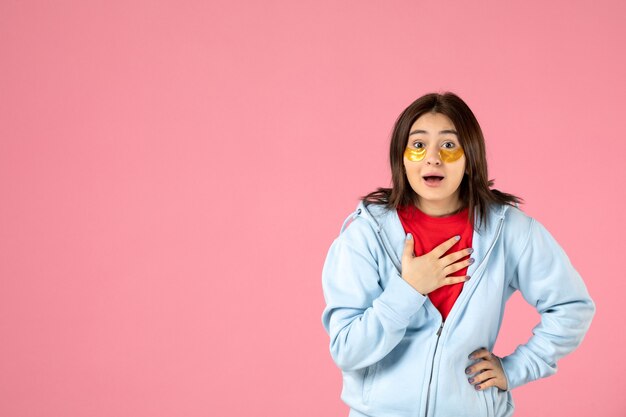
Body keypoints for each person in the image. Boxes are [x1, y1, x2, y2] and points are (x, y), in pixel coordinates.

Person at [320, 92, 595, 417]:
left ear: (470, 158)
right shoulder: (365, 235)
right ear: (402, 157)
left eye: (448, 145)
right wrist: (408, 290)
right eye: (418, 145)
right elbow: (348, 349)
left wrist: (518, 368)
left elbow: (571, 307)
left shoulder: (509, 231)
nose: (432, 158)